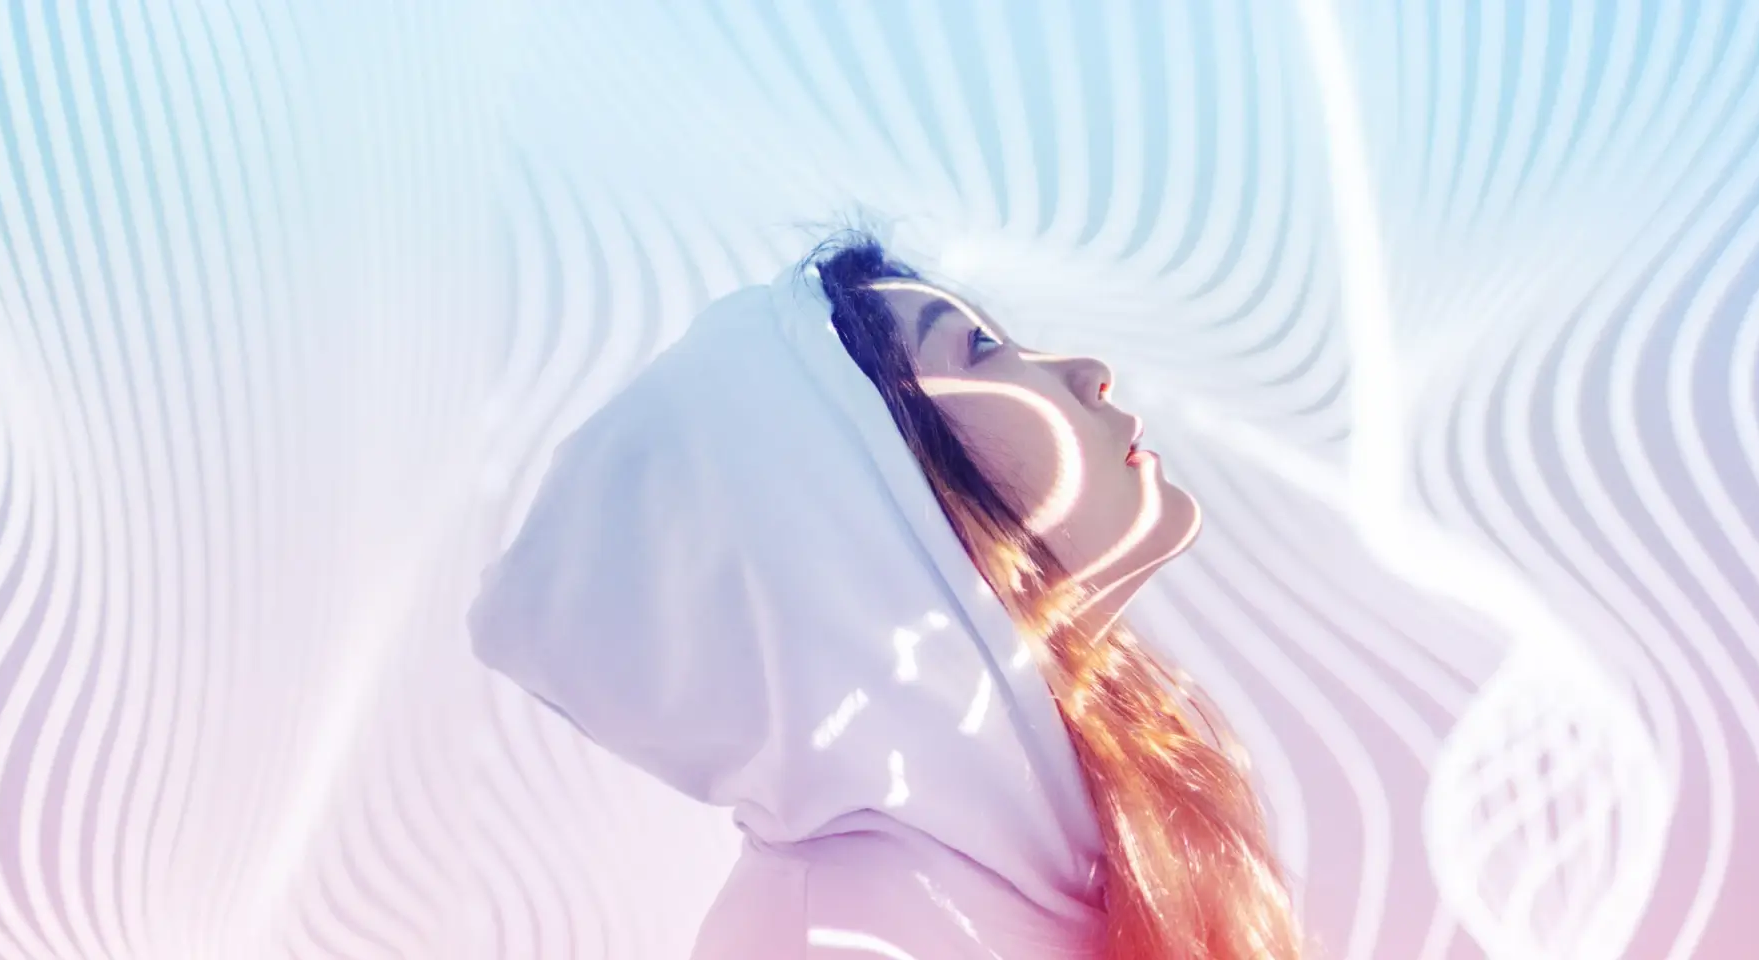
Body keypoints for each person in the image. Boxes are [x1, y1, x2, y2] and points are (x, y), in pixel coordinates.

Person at [467, 232, 1303, 958]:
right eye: (980, 351)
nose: (1088, 373)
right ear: (855, 512)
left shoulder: (1077, 855)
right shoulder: (839, 934)